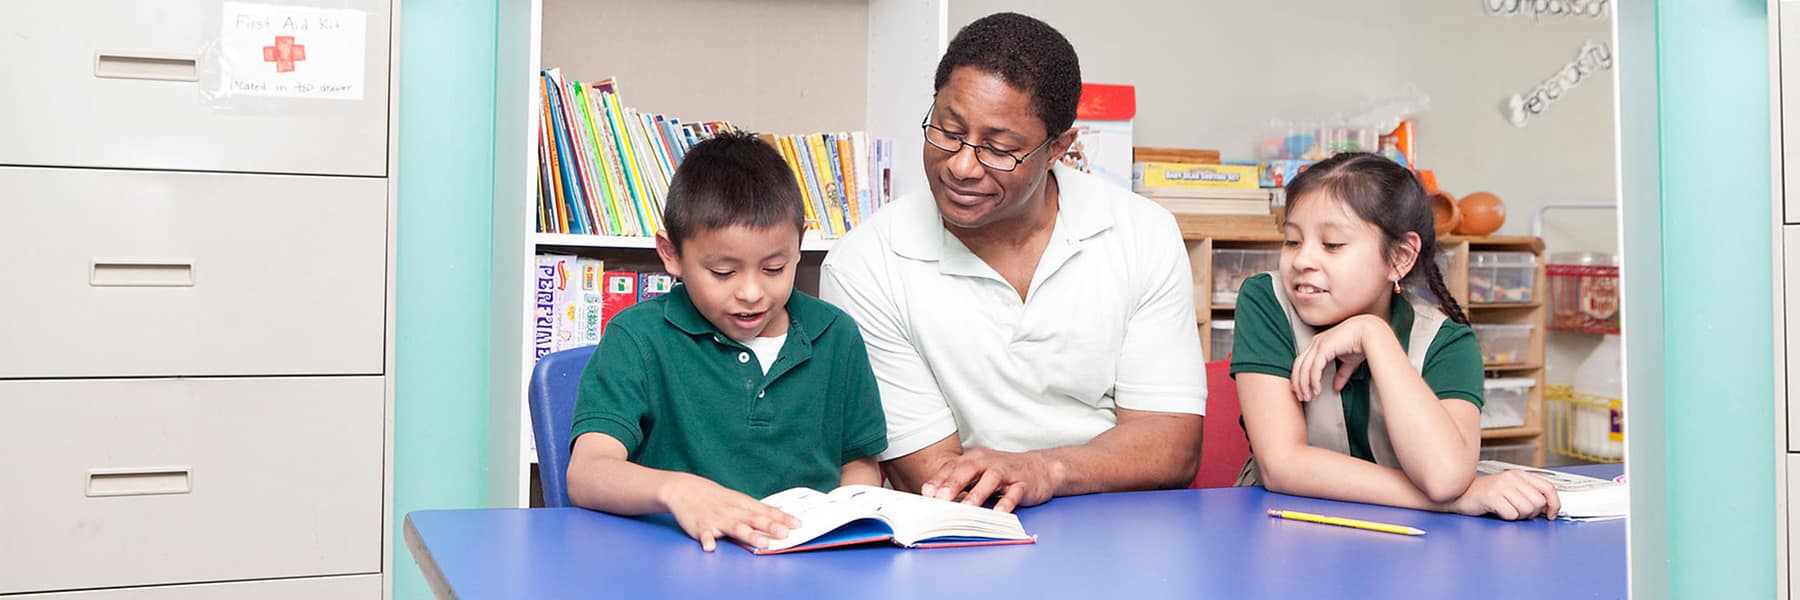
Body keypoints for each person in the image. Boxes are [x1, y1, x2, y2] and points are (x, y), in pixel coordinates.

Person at [820, 12, 1205, 513]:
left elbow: (1173, 446)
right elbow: (934, 476)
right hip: (964, 532)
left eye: (999, 149)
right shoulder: (865, 265)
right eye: (947, 131)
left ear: (1058, 149)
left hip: (1120, 519)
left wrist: (1047, 469)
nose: (961, 166)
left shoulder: (1142, 233)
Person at [566, 131, 888, 550]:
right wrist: (679, 491)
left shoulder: (836, 336)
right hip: (674, 566)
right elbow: (587, 472)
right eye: (723, 272)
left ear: (799, 246)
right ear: (671, 254)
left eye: (774, 268)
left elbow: (859, 463)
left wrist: (844, 522)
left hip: (805, 564)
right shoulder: (638, 337)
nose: (751, 292)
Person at [1231, 152, 1561, 520]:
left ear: (1400, 258)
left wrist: (1375, 336)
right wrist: (1453, 502)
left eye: (1332, 244)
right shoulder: (1267, 301)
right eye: (1292, 241)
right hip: (1279, 529)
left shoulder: (1447, 343)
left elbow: (1444, 477)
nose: (1302, 260)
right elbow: (1282, 464)